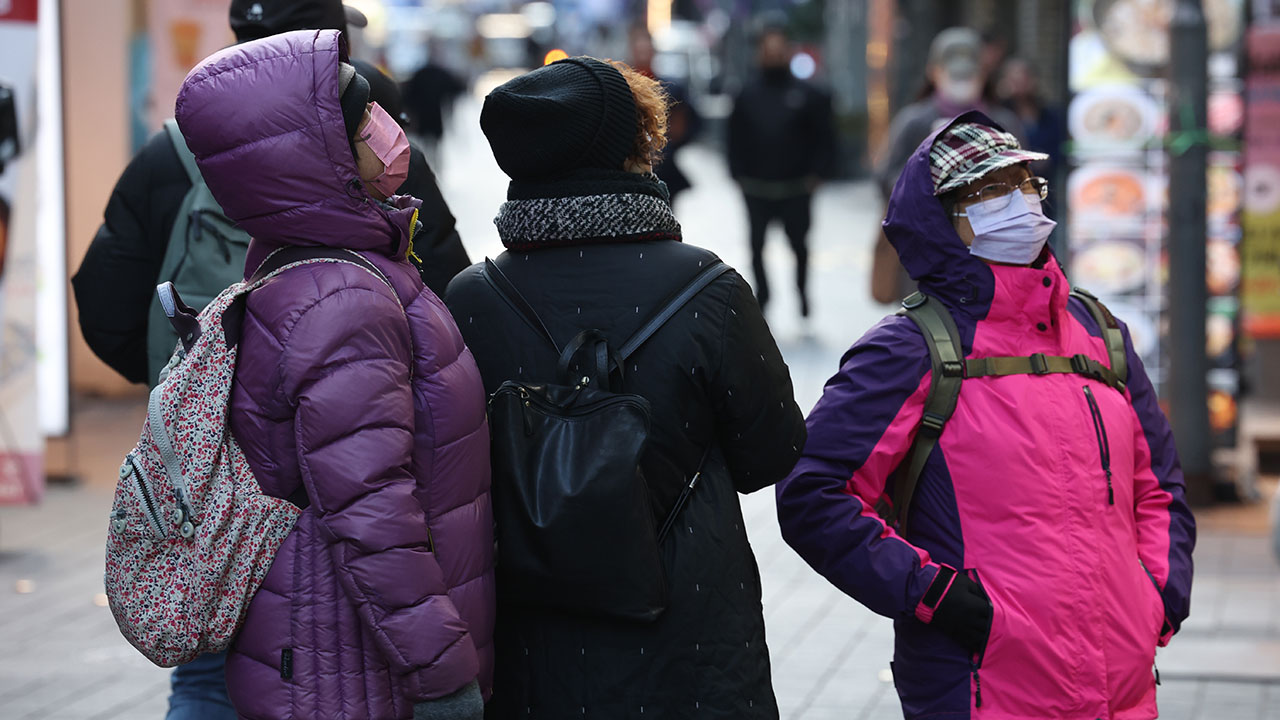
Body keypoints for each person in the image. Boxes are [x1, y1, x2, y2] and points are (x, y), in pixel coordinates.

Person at [776, 112, 1195, 719]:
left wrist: (1158, 594)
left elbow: (1159, 488)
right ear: (942, 219)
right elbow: (813, 491)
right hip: (981, 688)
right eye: (989, 190)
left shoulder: (1100, 333)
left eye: (1026, 182)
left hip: (1122, 687)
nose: (1019, 200)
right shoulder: (907, 349)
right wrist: (932, 595)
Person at [445, 56, 806, 718]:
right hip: (691, 637)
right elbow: (771, 455)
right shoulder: (709, 288)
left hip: (535, 640)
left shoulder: (470, 300)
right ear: (633, 147)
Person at [174, 28, 494, 720]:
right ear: (317, 156)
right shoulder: (340, 299)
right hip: (351, 666)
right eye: (363, 121)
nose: (386, 131)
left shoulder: (307, 266)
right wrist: (441, 674)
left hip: (327, 643)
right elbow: (370, 507)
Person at [72, 0, 468, 389]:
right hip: (360, 414)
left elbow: (105, 308)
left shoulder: (174, 151)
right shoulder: (369, 147)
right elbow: (447, 299)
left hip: (205, 441)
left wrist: (188, 387)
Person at [871, 27, 1025, 304]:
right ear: (934, 72)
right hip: (924, 257)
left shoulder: (1003, 123)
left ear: (984, 73)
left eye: (969, 74)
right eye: (954, 74)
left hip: (991, 253)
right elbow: (884, 178)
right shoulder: (913, 122)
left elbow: (1027, 182)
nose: (962, 82)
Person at [728, 23, 836, 317]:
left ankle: (802, 295)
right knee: (756, 247)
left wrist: (819, 172)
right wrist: (736, 173)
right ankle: (763, 296)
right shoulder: (746, 94)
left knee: (799, 246)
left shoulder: (809, 94)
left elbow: (824, 137)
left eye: (779, 48)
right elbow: (734, 137)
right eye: (768, 49)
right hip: (756, 187)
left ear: (788, 51)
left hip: (797, 188)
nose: (774, 54)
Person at [628, 24, 701, 203]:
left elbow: (691, 122)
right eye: (639, 48)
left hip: (663, 167)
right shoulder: (621, 86)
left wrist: (671, 145)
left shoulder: (670, 89)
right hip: (631, 171)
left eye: (647, 48)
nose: (643, 52)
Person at [997, 57, 1066, 215]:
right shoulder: (1000, 115)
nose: (1019, 83)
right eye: (1013, 78)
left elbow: (1060, 148)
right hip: (1010, 197)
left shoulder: (1050, 115)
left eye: (1024, 78)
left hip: (1046, 194)